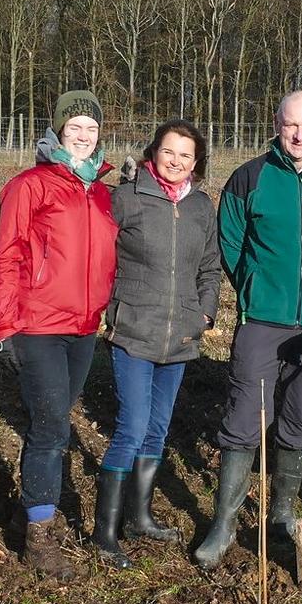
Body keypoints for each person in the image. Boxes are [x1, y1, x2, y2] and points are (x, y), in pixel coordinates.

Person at [194, 90, 302, 570]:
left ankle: (282, 512)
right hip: (262, 320)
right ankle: (224, 524)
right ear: (277, 123)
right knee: (244, 415)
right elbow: (229, 240)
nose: (299, 134)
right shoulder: (250, 178)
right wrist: (252, 285)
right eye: (291, 124)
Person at [0, 90, 117, 581]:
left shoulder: (101, 192)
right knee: (51, 428)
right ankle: (41, 535)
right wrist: (6, 327)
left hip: (83, 328)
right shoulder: (31, 185)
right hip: (39, 325)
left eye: (91, 128)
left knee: (54, 418)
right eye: (74, 128)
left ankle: (26, 511)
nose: (83, 137)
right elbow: (7, 258)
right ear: (57, 132)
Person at [90, 119, 222, 569]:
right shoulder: (125, 199)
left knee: (158, 426)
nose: (177, 161)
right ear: (154, 152)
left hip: (181, 334)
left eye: (187, 155)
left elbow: (210, 265)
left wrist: (204, 312)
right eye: (170, 152)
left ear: (196, 163)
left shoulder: (202, 207)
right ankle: (105, 532)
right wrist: (111, 305)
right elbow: (99, 255)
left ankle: (139, 515)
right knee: (132, 424)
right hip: (134, 330)